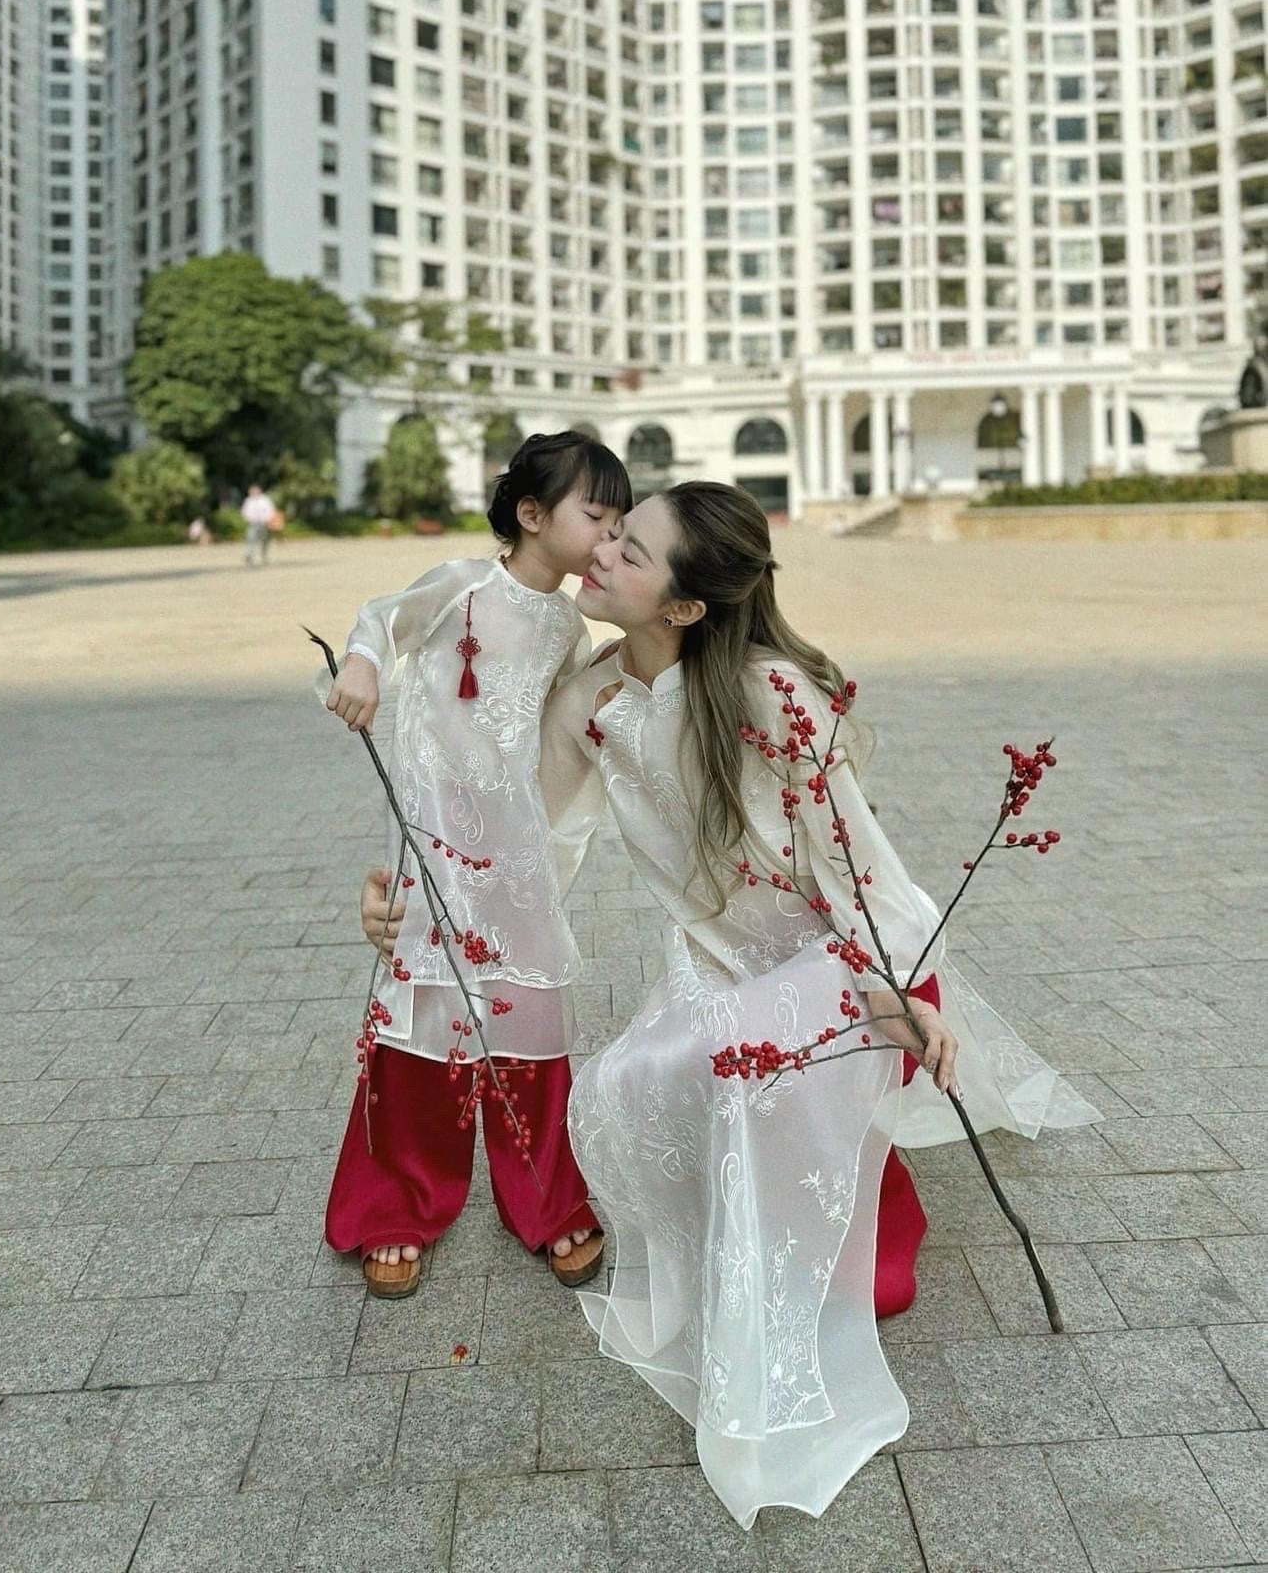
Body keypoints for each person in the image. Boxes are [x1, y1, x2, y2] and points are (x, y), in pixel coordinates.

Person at [363, 481, 1099, 1525]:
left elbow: (861, 870)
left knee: (865, 1287)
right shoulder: (595, 700)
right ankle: (830, 1175)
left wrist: (889, 993)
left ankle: (870, 1182)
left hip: (852, 965)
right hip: (718, 964)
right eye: (610, 533)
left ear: (684, 607)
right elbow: (502, 825)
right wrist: (408, 894)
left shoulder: (771, 696)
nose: (603, 554)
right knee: (634, 1082)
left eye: (632, 550)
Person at [320, 431, 633, 1299]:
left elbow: (566, 734)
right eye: (596, 516)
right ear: (531, 515)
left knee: (528, 1012)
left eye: (619, 522)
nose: (609, 537)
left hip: (514, 849)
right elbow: (382, 618)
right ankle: (399, 1200)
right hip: (431, 840)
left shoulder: (569, 626)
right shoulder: (461, 585)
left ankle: (544, 1195)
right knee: (420, 1017)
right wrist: (361, 665)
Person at [241, 483, 276, 566]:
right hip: (253, 523)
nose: (254, 492)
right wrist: (249, 519)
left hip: (264, 523)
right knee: (250, 539)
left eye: (255, 490)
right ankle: (249, 555)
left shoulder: (265, 500)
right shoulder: (248, 501)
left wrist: (268, 519)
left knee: (265, 541)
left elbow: (271, 510)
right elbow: (245, 512)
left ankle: (264, 556)